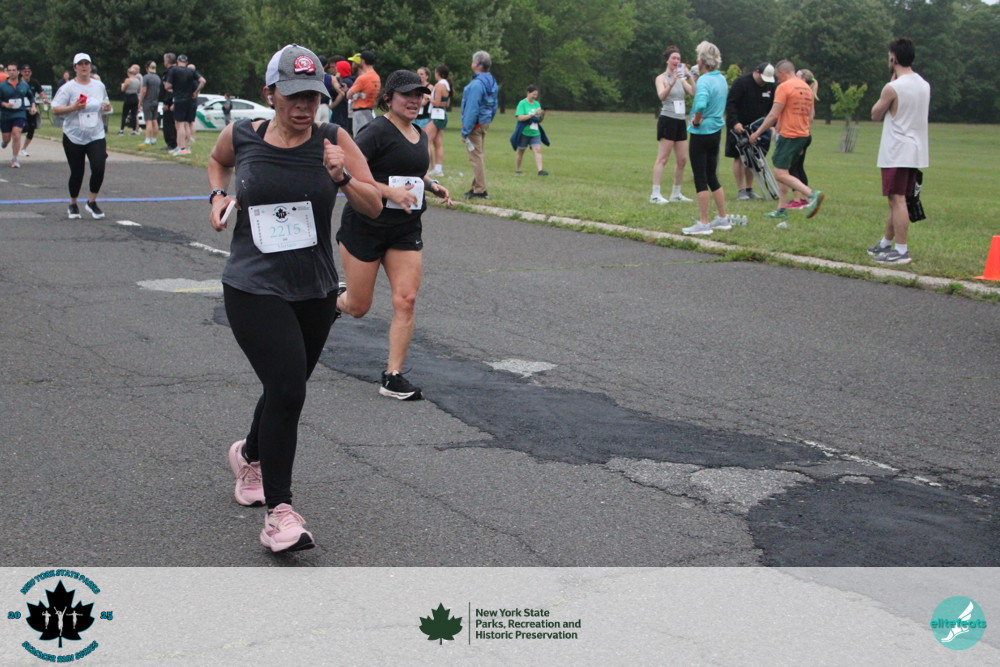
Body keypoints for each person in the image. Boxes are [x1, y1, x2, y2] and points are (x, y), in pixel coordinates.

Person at [206, 44, 381, 553]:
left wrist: (341, 176)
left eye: (313, 96)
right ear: (270, 94)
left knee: (285, 386)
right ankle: (279, 514)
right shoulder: (241, 134)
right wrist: (217, 196)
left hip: (315, 288)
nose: (304, 106)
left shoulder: (334, 139)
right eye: (293, 96)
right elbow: (217, 163)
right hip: (252, 285)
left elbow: (373, 205)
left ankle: (250, 454)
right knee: (287, 389)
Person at [336, 69, 452, 401]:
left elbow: (410, 171)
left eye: (419, 95)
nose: (414, 101)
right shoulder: (375, 131)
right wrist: (389, 192)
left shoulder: (420, 134)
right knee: (358, 306)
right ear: (388, 98)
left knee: (406, 299)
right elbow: (348, 172)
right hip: (366, 225)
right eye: (407, 95)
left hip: (405, 228)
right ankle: (332, 298)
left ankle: (393, 376)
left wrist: (431, 184)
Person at [868, 37, 930, 265]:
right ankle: (886, 242)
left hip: (896, 150)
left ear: (893, 58)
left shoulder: (892, 87)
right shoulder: (924, 84)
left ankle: (901, 250)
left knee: (897, 199)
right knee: (898, 199)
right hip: (915, 149)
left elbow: (875, 114)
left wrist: (889, 85)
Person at [749, 60, 824, 222]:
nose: (777, 80)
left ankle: (812, 195)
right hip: (803, 135)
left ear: (782, 73)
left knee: (780, 174)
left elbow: (773, 115)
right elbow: (810, 116)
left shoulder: (784, 87)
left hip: (789, 135)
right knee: (784, 170)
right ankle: (781, 209)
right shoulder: (806, 88)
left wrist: (757, 133)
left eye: (777, 76)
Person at [51, 53, 112, 219]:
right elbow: (55, 109)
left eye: (87, 63)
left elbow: (104, 103)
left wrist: (106, 108)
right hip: (74, 135)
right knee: (77, 171)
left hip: (95, 133)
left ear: (90, 66)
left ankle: (91, 201)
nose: (84, 66)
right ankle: (73, 203)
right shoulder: (68, 88)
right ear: (75, 68)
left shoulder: (99, 86)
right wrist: (73, 107)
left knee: (99, 167)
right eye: (80, 64)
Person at [681, 42, 732, 236]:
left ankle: (703, 222)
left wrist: (696, 120)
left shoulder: (704, 80)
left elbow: (701, 103)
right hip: (716, 131)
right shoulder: (721, 79)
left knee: (700, 177)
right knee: (712, 175)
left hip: (701, 132)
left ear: (702, 60)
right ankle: (723, 217)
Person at [650, 46, 696, 204]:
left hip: (680, 120)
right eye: (674, 58)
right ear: (667, 60)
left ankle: (676, 193)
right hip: (667, 119)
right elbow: (661, 96)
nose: (676, 61)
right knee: (663, 158)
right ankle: (655, 194)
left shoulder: (681, 78)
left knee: (682, 160)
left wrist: (689, 77)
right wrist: (672, 82)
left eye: (678, 59)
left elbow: (693, 92)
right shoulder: (661, 78)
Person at [725, 62, 776, 200]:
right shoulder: (741, 82)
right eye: (763, 78)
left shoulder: (770, 86)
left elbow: (772, 108)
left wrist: (772, 126)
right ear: (757, 72)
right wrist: (735, 122)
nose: (764, 82)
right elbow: (731, 104)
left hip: (758, 127)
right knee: (739, 157)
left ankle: (749, 189)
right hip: (739, 126)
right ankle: (741, 190)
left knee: (753, 157)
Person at [461, 50, 498, 199]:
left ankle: (480, 190)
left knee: (476, 158)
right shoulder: (492, 81)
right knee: (479, 155)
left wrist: (465, 130)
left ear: (476, 64)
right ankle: (475, 186)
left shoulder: (476, 84)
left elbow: (472, 108)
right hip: (484, 122)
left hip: (475, 125)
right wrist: (488, 119)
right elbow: (494, 104)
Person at [785, 69, 819, 209]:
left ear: (803, 79)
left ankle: (798, 199)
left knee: (792, 168)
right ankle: (804, 198)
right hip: (805, 134)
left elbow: (809, 117)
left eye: (797, 75)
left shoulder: (802, 95)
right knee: (799, 167)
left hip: (799, 135)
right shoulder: (808, 94)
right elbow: (811, 117)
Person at [162, 52, 205, 156]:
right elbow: (203, 81)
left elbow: (167, 86)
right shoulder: (191, 71)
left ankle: (181, 148)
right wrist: (196, 92)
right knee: (187, 124)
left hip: (179, 99)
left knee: (179, 125)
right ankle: (186, 147)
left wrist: (173, 86)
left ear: (177, 61)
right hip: (190, 100)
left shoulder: (174, 70)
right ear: (187, 62)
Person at [0, 63, 35, 168]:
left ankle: (14, 159)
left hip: (19, 113)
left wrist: (33, 106)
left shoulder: (24, 85)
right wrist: (4, 104)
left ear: (18, 72)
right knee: (7, 139)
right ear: (7, 72)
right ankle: (5, 142)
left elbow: (31, 97)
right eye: (9, 70)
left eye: (13, 70)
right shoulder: (2, 86)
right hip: (6, 115)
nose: (12, 72)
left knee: (16, 134)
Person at [511, 84, 549, 175]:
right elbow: (520, 118)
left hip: (535, 132)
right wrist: (532, 115)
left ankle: (540, 171)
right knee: (521, 151)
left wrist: (542, 115)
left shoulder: (537, 104)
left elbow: (539, 120)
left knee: (538, 150)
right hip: (524, 132)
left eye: (536, 95)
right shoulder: (522, 103)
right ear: (528, 93)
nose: (535, 96)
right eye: (533, 94)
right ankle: (518, 169)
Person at [425, 64, 451, 176]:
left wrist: (428, 98)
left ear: (438, 73)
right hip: (442, 113)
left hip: (436, 114)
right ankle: (438, 168)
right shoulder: (447, 85)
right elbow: (447, 103)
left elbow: (436, 103)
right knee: (438, 142)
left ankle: (424, 167)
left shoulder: (439, 85)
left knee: (426, 140)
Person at [347, 50, 379, 135]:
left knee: (359, 137)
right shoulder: (376, 77)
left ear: (363, 61)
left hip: (360, 112)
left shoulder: (363, 78)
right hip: (370, 111)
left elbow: (349, 95)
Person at [18, 64, 45, 157]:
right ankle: (16, 144)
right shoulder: (17, 82)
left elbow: (41, 92)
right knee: (23, 127)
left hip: (31, 108)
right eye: (25, 71)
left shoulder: (34, 82)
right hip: (20, 109)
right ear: (21, 72)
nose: (27, 73)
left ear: (31, 73)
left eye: (28, 71)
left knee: (32, 128)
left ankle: (23, 149)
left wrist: (44, 98)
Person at [138, 60, 161, 146]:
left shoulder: (146, 77)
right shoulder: (158, 78)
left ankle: (147, 139)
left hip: (148, 101)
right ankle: (154, 139)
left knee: (148, 121)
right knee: (154, 120)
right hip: (155, 101)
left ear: (147, 68)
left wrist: (140, 101)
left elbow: (144, 90)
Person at [329, 59, 352, 132]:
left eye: (336, 68)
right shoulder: (349, 80)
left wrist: (335, 78)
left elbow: (333, 90)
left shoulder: (345, 81)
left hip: (342, 110)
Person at [119, 64, 142, 135]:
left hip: (128, 96)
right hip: (135, 97)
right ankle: (134, 130)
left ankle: (122, 130)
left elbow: (123, 89)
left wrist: (122, 85)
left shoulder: (128, 80)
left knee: (124, 114)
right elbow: (139, 90)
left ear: (128, 73)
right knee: (134, 114)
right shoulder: (138, 80)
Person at [414, 67, 433, 133]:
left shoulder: (429, 87)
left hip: (424, 117)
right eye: (417, 74)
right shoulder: (415, 86)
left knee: (422, 135)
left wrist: (414, 103)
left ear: (427, 76)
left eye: (421, 74)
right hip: (414, 116)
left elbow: (423, 103)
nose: (419, 76)